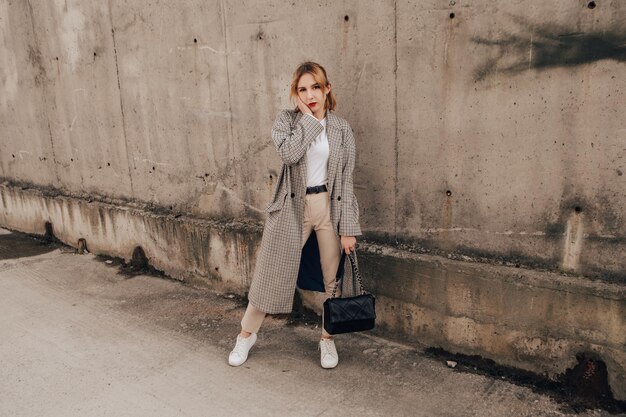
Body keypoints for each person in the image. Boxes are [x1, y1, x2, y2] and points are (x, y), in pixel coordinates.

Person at [228, 61, 362, 369]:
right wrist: (309, 120)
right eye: (302, 89)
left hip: (329, 207)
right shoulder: (286, 122)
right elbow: (289, 153)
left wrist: (349, 227)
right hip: (293, 208)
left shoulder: (341, 128)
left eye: (315, 87)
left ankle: (327, 341)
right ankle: (246, 335)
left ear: (327, 88)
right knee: (269, 275)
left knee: (332, 280)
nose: (310, 95)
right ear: (295, 94)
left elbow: (347, 178)